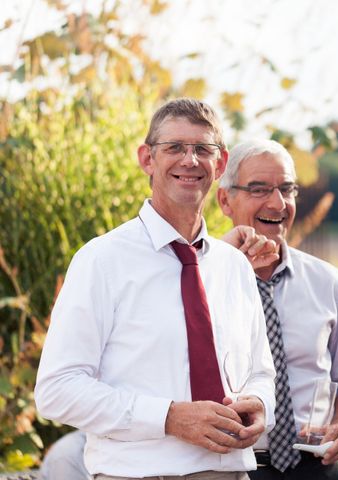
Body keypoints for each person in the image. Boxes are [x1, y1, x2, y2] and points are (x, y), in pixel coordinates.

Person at [34, 98, 276, 480]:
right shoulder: (101, 260)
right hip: (137, 474)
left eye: (202, 149)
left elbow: (262, 372)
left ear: (221, 163)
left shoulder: (234, 268)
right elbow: (57, 390)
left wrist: (261, 404)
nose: (189, 160)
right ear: (147, 159)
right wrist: (168, 417)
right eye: (174, 148)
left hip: (229, 473)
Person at [217, 139, 338, 480]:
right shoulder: (203, 283)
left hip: (318, 468)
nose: (278, 202)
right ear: (225, 200)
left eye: (287, 189)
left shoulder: (327, 281)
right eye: (259, 189)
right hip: (235, 468)